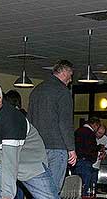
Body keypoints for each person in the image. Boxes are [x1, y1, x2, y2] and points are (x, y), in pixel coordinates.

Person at [28, 60, 77, 191]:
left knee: (41, 190)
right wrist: (71, 148)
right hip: (57, 146)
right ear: (65, 72)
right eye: (70, 75)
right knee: (52, 191)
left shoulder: (36, 90)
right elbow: (65, 122)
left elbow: (29, 120)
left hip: (37, 147)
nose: (71, 80)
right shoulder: (62, 91)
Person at [74, 117, 101, 197]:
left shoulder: (78, 131)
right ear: (95, 125)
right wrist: (98, 148)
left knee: (76, 188)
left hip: (78, 161)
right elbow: (90, 148)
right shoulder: (90, 133)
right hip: (85, 162)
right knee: (84, 188)